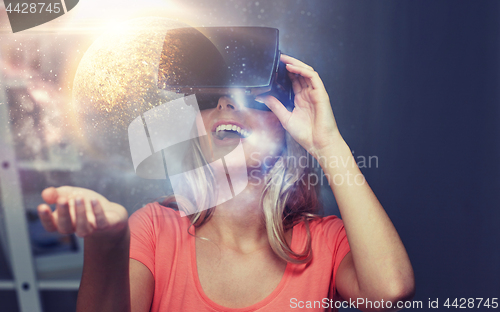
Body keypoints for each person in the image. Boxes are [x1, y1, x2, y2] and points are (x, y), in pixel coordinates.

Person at [38, 54, 415, 312]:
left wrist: (326, 143)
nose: (225, 103)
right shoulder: (154, 229)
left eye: (250, 96)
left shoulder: (325, 241)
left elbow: (389, 291)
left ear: (284, 129)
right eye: (209, 96)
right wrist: (107, 243)